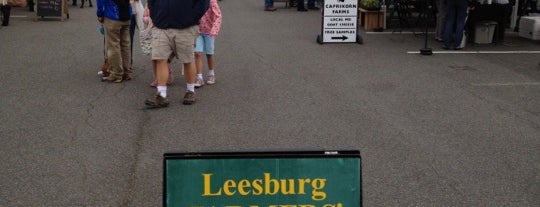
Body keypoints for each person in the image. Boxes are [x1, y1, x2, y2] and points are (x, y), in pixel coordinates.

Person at [144, 0, 209, 108]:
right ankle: (161, 94)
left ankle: (190, 90)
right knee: (160, 59)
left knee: (187, 60)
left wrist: (192, 17)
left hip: (186, 27)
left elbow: (203, 3)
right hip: (161, 26)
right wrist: (155, 16)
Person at [97, 0, 132, 83]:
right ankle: (126, 72)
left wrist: (100, 14)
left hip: (112, 15)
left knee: (113, 46)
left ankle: (117, 73)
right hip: (126, 14)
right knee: (125, 45)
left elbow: (101, 2)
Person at [194, 0, 222, 88]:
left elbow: (218, 16)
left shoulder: (211, 1)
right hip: (197, 31)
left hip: (209, 32)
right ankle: (199, 77)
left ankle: (211, 74)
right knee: (197, 53)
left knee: (209, 54)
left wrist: (214, 30)